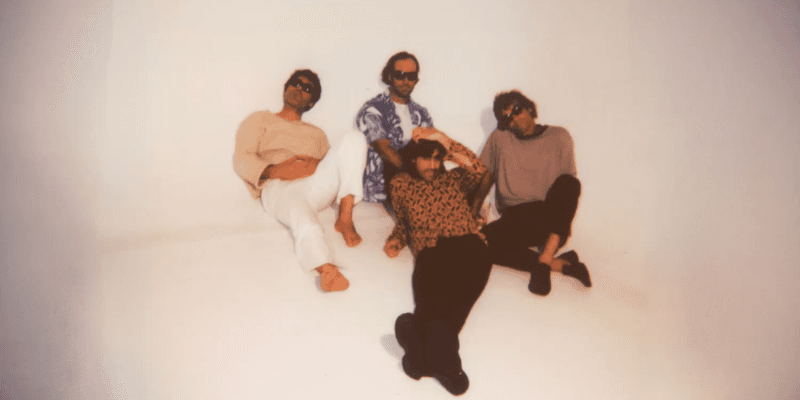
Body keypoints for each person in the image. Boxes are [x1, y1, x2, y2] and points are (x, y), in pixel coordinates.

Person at [233, 69, 368, 292]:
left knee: (355, 138)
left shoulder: (318, 135)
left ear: (311, 102)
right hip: (278, 185)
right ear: (285, 89)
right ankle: (326, 268)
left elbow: (333, 168)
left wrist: (315, 164)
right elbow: (241, 158)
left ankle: (345, 217)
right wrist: (276, 170)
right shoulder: (260, 120)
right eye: (296, 83)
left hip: (313, 185)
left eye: (307, 89)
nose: (299, 89)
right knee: (299, 208)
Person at [385, 133, 492, 396]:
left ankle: (418, 346)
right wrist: (396, 239)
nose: (433, 165)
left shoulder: (454, 179)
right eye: (426, 158)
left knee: (458, 304)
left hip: (469, 246)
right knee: (432, 307)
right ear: (413, 158)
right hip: (431, 251)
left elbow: (480, 169)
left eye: (437, 159)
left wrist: (444, 140)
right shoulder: (400, 184)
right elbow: (404, 221)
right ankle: (445, 362)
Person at [472, 90, 592, 296]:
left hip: (550, 219)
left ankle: (545, 259)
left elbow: (567, 190)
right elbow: (486, 176)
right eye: (507, 118)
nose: (514, 120)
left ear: (529, 108)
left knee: (570, 183)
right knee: (478, 244)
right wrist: (472, 210)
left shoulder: (559, 136)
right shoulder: (500, 137)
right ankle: (561, 265)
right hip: (516, 218)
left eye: (517, 111)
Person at [355, 51, 439, 209]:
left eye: (411, 76)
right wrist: (418, 181)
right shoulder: (373, 109)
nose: (406, 81)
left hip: (419, 186)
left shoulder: (421, 113)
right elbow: (385, 149)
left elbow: (432, 152)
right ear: (389, 76)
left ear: (416, 80)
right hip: (382, 190)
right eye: (400, 75)